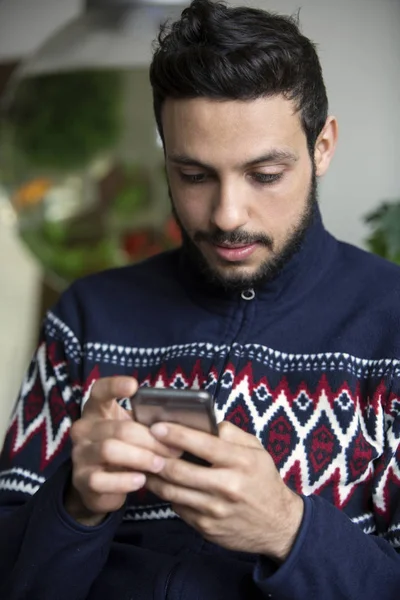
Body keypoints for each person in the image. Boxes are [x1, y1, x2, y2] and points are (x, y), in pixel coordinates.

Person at [0, 0, 399, 598]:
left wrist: (288, 529)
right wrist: (76, 505)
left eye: (265, 175)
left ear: (322, 147)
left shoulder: (391, 324)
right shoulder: (85, 319)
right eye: (193, 175)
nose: (226, 215)